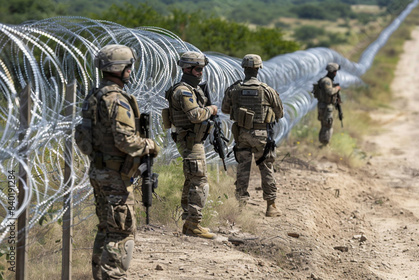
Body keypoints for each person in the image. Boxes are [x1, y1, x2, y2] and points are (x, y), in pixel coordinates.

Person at [81, 44, 160, 279]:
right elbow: (125, 140)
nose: (131, 71)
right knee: (122, 233)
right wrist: (150, 145)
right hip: (115, 176)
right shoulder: (116, 99)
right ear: (120, 69)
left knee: (106, 229)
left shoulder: (95, 96)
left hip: (99, 171)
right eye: (129, 67)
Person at [221, 54, 284, 217]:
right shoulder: (266, 90)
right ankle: (271, 206)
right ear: (258, 69)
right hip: (261, 135)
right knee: (266, 168)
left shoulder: (234, 89)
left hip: (242, 134)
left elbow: (225, 109)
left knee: (243, 169)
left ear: (244, 68)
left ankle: (240, 207)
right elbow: (280, 113)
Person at [164, 51, 217, 239]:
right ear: (187, 68)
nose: (201, 72)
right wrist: (211, 109)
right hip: (190, 141)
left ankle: (188, 221)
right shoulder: (183, 91)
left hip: (191, 140)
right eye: (198, 69)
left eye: (202, 69)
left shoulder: (189, 88)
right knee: (199, 181)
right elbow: (195, 115)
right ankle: (194, 224)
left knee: (191, 179)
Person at [314, 62, 341, 146]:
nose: (336, 73)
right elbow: (329, 91)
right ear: (333, 72)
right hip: (325, 106)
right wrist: (337, 88)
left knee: (326, 124)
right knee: (327, 125)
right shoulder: (326, 81)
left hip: (325, 106)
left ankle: (324, 142)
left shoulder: (328, 80)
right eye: (335, 71)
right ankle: (324, 143)